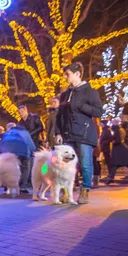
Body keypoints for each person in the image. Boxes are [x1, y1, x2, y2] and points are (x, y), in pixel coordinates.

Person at [55, 62, 103, 204]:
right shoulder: (64, 94)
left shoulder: (90, 92)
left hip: (84, 134)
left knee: (85, 164)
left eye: (67, 74)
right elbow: (59, 116)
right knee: (64, 165)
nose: (65, 77)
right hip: (68, 134)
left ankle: (84, 190)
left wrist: (82, 106)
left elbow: (99, 111)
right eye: (64, 74)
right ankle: (65, 191)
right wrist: (58, 132)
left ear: (77, 74)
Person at [0, 123, 36, 194]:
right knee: (25, 167)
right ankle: (22, 187)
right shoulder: (25, 132)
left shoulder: (7, 132)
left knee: (8, 168)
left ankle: (7, 186)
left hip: (7, 152)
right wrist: (33, 151)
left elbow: (1, 143)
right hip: (22, 152)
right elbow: (31, 146)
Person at [105, 118, 128, 184]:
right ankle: (111, 178)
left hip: (118, 150)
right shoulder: (119, 129)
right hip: (120, 149)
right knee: (119, 164)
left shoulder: (116, 129)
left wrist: (113, 141)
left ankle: (111, 178)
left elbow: (118, 140)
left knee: (117, 164)